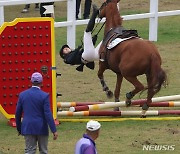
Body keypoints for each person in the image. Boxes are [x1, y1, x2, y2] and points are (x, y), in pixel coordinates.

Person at [15, 72, 58, 154]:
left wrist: (19, 128)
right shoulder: (44, 96)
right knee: (43, 151)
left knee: (29, 151)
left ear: (31, 81)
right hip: (41, 127)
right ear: (42, 82)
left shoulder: (22, 95)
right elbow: (48, 114)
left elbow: (18, 113)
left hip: (28, 127)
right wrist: (54, 130)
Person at [60, 4, 102, 72]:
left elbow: (89, 50)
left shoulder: (74, 53)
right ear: (63, 54)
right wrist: (77, 49)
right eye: (64, 50)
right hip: (87, 56)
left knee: (106, 40)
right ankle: (95, 13)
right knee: (87, 32)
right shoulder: (67, 59)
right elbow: (71, 59)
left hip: (93, 56)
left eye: (66, 48)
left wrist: (93, 40)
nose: (66, 48)